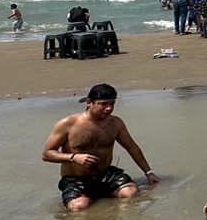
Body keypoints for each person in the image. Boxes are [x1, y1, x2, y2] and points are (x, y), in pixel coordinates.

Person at [42, 83, 158, 211]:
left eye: (112, 104)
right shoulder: (67, 124)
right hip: (76, 179)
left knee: (131, 194)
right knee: (78, 208)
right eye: (103, 104)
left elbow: (132, 147)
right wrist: (74, 157)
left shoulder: (116, 123)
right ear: (89, 102)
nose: (109, 108)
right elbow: (47, 154)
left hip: (106, 175)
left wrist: (149, 173)